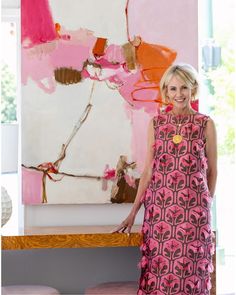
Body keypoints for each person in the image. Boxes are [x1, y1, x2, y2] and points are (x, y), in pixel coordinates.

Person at [113, 63, 217, 294]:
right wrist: (132, 214)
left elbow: (213, 171)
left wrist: (204, 205)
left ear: (192, 89)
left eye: (183, 88)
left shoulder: (205, 124)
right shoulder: (157, 123)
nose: (178, 94)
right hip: (160, 214)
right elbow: (148, 172)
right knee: (160, 276)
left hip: (194, 214)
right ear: (166, 92)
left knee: (190, 273)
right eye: (172, 89)